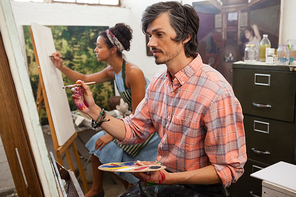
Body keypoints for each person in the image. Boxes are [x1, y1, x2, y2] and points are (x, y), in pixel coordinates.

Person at [71, 1, 247, 196]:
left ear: (185, 36)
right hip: (167, 180)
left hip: (201, 189)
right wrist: (94, 110)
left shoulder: (216, 91)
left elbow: (229, 168)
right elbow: (134, 129)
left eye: (159, 34)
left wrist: (169, 178)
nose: (151, 43)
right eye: (150, 35)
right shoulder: (158, 83)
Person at [51, 23, 161, 197]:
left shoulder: (133, 72)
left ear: (112, 50)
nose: (95, 49)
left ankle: (131, 192)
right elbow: (84, 79)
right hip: (134, 123)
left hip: (148, 128)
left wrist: (111, 134)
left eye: (99, 46)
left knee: (109, 147)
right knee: (97, 142)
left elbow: (139, 115)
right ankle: (97, 189)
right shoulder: (113, 71)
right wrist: (60, 67)